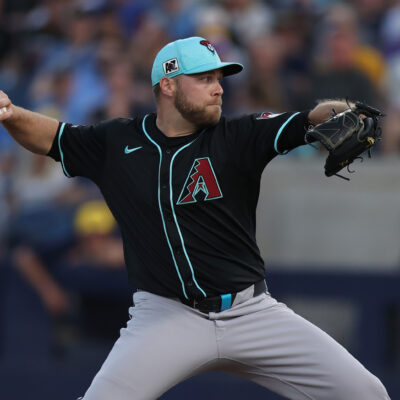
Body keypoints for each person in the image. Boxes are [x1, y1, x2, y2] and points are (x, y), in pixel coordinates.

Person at [0, 36, 390, 400]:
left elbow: (309, 118)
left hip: (250, 311)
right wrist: (10, 111)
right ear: (168, 85)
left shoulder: (237, 135)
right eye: (204, 78)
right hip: (166, 316)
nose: (218, 87)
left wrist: (344, 111)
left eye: (219, 78)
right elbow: (54, 137)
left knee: (367, 393)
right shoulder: (118, 142)